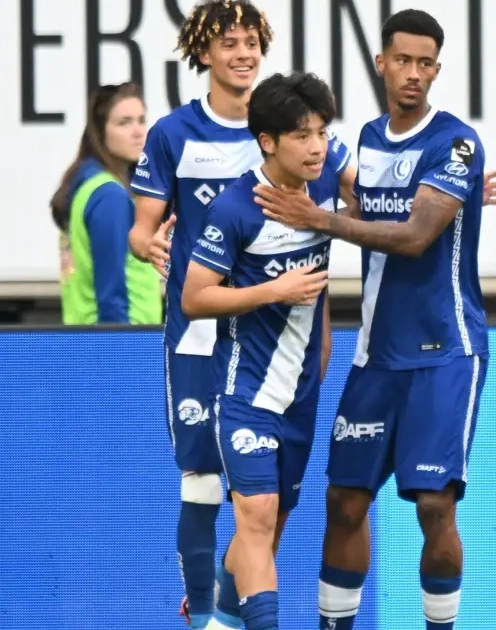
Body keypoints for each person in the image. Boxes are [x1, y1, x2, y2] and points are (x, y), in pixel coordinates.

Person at [255, 10, 487, 630]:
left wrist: (320, 220)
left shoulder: (456, 143)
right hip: (376, 354)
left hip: (444, 350)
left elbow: (414, 236)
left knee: (434, 505)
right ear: (381, 62)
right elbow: (362, 211)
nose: (414, 73)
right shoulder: (366, 138)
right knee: (344, 501)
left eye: (425, 63)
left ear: (437, 69)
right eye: (402, 60)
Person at [182, 71, 341, 630]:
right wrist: (273, 290)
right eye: (302, 136)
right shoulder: (236, 208)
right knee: (256, 517)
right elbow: (195, 297)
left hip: (301, 395)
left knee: (270, 529)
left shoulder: (325, 184)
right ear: (267, 141)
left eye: (322, 132)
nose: (316, 146)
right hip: (245, 391)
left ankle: (220, 623)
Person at [52, 82, 162, 325]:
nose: (138, 132)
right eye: (124, 123)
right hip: (123, 336)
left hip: (90, 334)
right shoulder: (109, 196)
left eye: (141, 120)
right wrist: (118, 341)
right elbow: (111, 290)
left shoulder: (86, 186)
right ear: (100, 131)